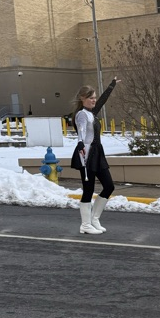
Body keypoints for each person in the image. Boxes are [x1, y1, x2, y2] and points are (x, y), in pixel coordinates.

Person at [70, 77, 120, 234]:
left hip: (98, 152)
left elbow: (102, 101)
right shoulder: (81, 115)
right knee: (88, 189)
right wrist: (79, 144)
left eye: (94, 97)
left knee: (109, 186)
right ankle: (85, 225)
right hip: (87, 153)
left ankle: (94, 219)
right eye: (91, 98)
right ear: (82, 99)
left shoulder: (92, 113)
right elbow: (82, 130)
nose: (94, 100)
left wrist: (111, 86)